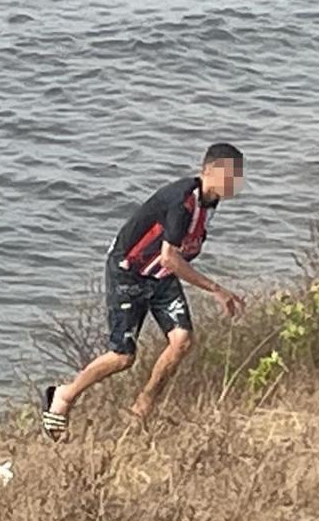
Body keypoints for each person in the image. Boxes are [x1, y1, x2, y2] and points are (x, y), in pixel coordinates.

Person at [41, 143, 247, 440]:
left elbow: (173, 258)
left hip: (160, 276)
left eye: (238, 176)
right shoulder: (183, 202)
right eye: (230, 175)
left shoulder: (210, 202)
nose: (235, 183)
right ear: (208, 171)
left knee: (182, 341)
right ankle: (62, 397)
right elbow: (170, 258)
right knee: (123, 356)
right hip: (129, 271)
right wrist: (217, 290)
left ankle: (142, 408)